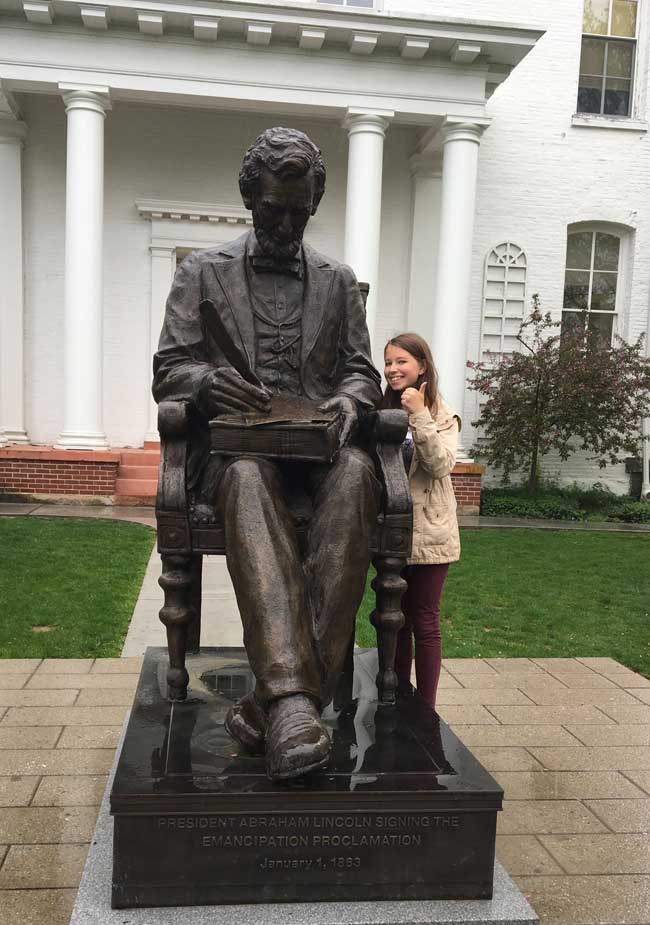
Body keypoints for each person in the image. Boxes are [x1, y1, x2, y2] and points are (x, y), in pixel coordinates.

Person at [153, 128, 382, 780]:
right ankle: (293, 703)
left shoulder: (339, 284)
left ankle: (273, 702)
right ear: (250, 199)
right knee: (251, 477)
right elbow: (169, 371)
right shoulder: (201, 273)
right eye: (272, 209)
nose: (285, 223)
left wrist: (348, 400)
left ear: (315, 202)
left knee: (362, 473)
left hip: (317, 451)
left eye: (299, 210)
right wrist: (203, 382)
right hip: (235, 454)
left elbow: (363, 373)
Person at [382, 332, 460, 708]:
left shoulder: (442, 415)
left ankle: (425, 707)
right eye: (389, 362)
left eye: (401, 362)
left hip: (430, 533)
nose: (393, 369)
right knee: (395, 620)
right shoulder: (382, 410)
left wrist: (420, 414)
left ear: (422, 366)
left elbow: (440, 465)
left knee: (425, 621)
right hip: (390, 531)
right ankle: (395, 694)